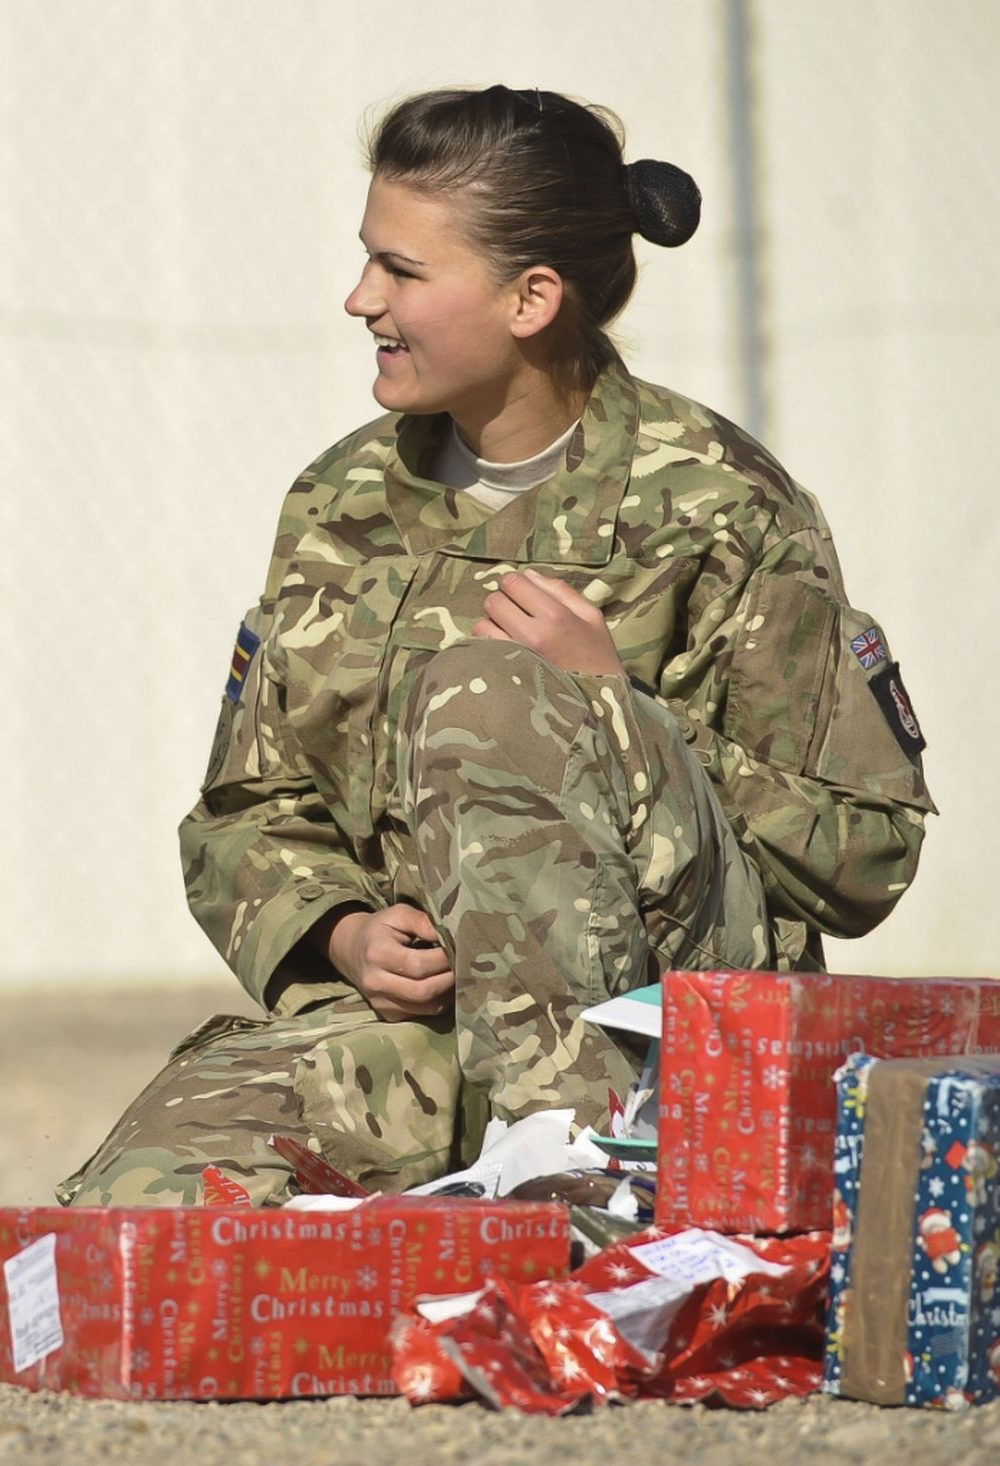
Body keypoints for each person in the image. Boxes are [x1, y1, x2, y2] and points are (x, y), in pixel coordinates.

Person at [60, 85, 935, 1208]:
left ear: (531, 298)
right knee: (129, 1221)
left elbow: (863, 854)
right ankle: (482, 1198)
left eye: (401, 271)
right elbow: (244, 810)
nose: (357, 298)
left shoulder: (719, 506)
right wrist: (341, 933)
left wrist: (614, 708)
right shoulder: (340, 502)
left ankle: (579, 1187)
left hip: (657, 1039)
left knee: (493, 691)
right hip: (416, 1037)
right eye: (366, 261)